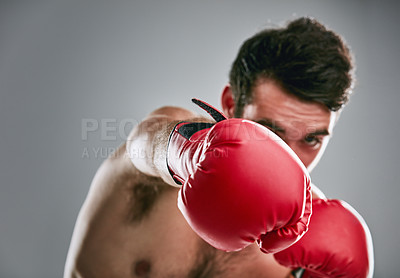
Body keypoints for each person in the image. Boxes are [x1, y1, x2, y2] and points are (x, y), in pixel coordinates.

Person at [64, 17, 373, 278]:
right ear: (230, 104)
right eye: (269, 131)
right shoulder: (163, 164)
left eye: (311, 139)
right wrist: (187, 153)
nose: (291, 156)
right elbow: (143, 142)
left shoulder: (308, 243)